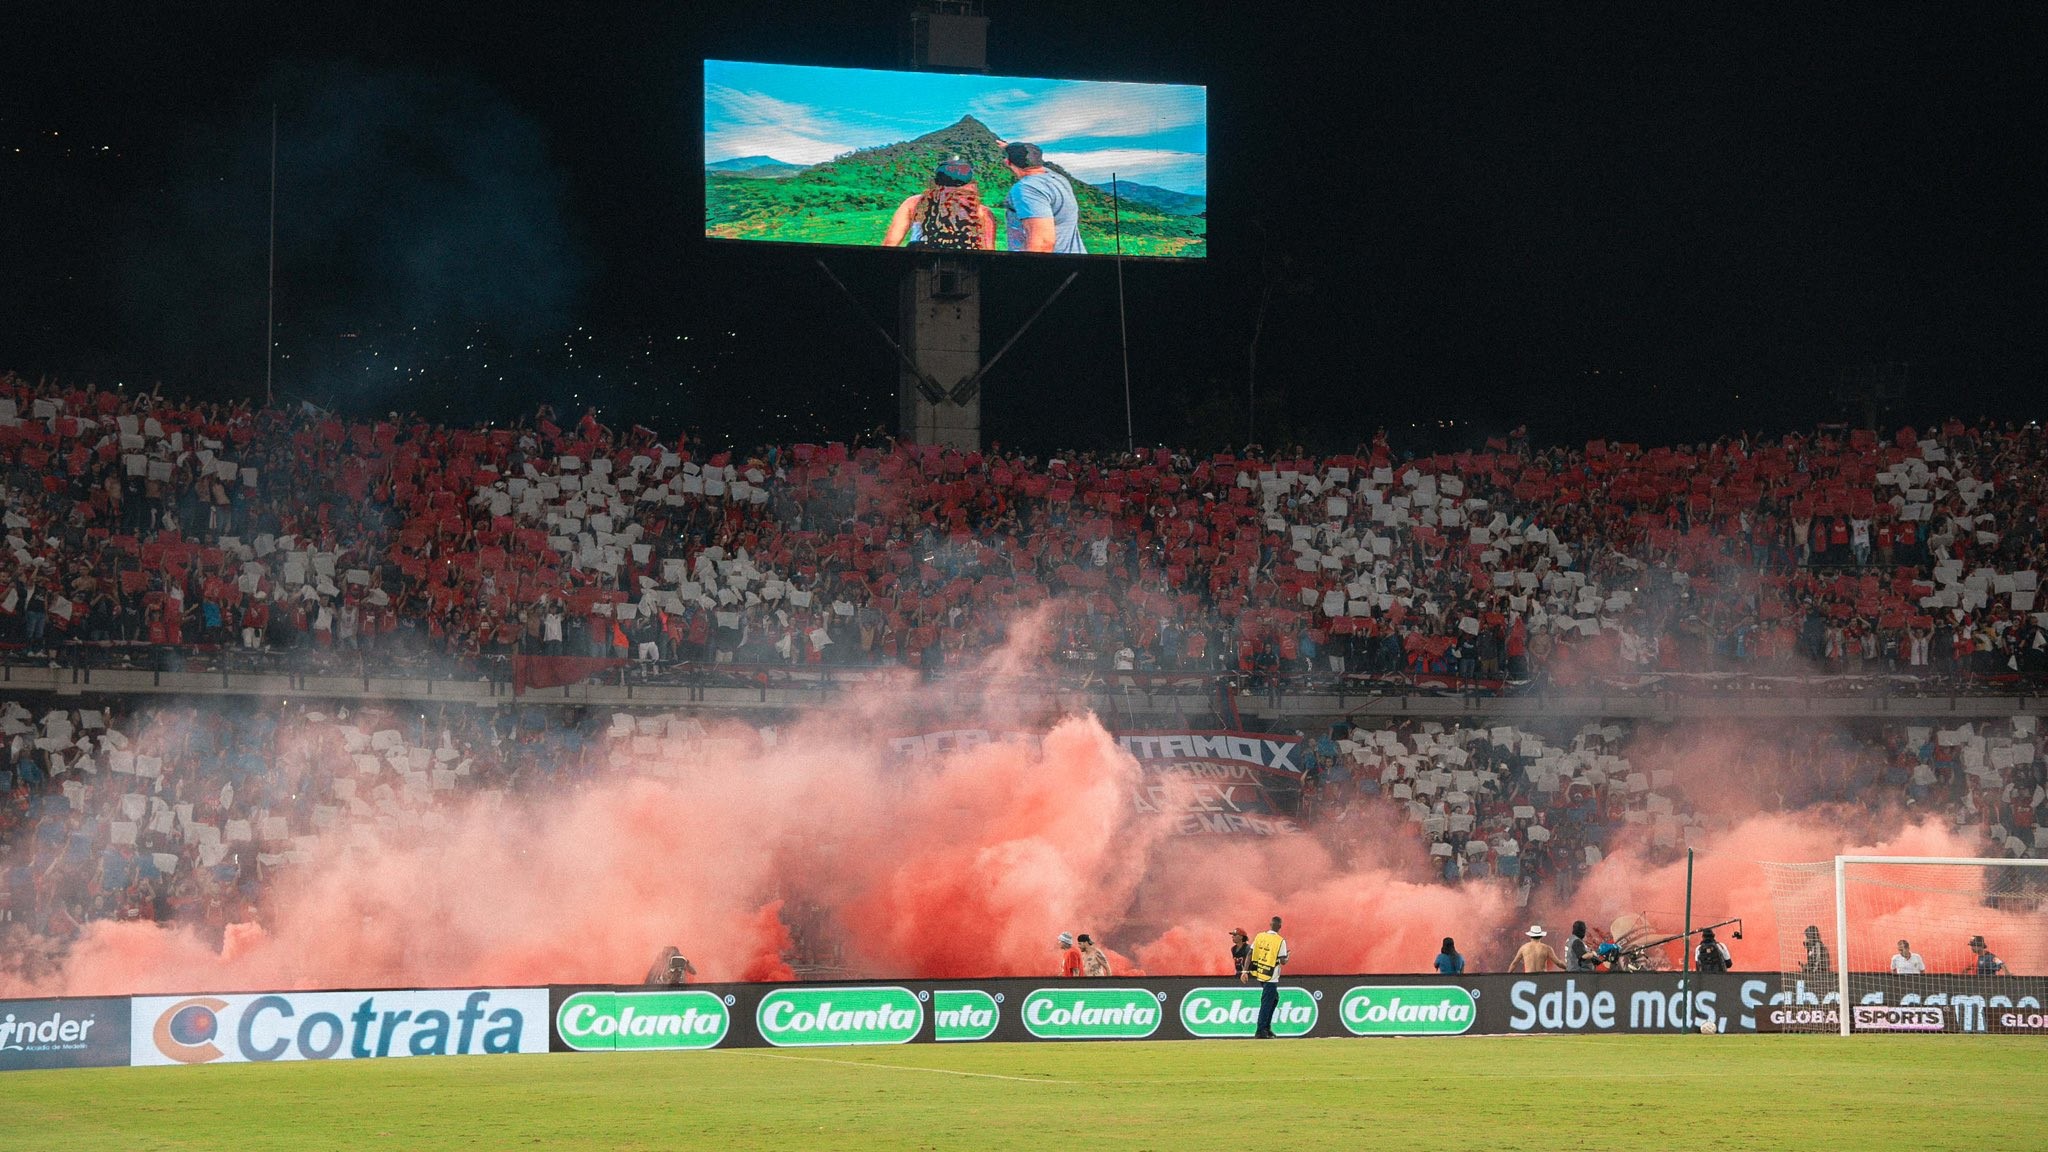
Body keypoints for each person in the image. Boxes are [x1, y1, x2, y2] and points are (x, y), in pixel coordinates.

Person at [882, 158, 995, 251]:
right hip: (965, 270)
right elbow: (989, 252)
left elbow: (890, 244)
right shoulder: (982, 211)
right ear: (969, 183)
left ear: (935, 181)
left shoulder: (913, 203)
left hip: (921, 267)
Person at [1000, 142, 1085, 254]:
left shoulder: (1027, 188)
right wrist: (1011, 148)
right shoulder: (1057, 178)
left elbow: (1042, 243)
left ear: (1007, 162)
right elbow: (1033, 164)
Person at [1240, 916, 1289, 1038]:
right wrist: (1287, 957)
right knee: (1267, 1002)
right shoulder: (1280, 941)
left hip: (1260, 973)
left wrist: (1244, 971)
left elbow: (1250, 953)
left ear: (1270, 924)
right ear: (1280, 926)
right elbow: (1283, 961)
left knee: (1274, 998)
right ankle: (1261, 1030)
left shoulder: (1260, 936)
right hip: (1271, 975)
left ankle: (1266, 1028)